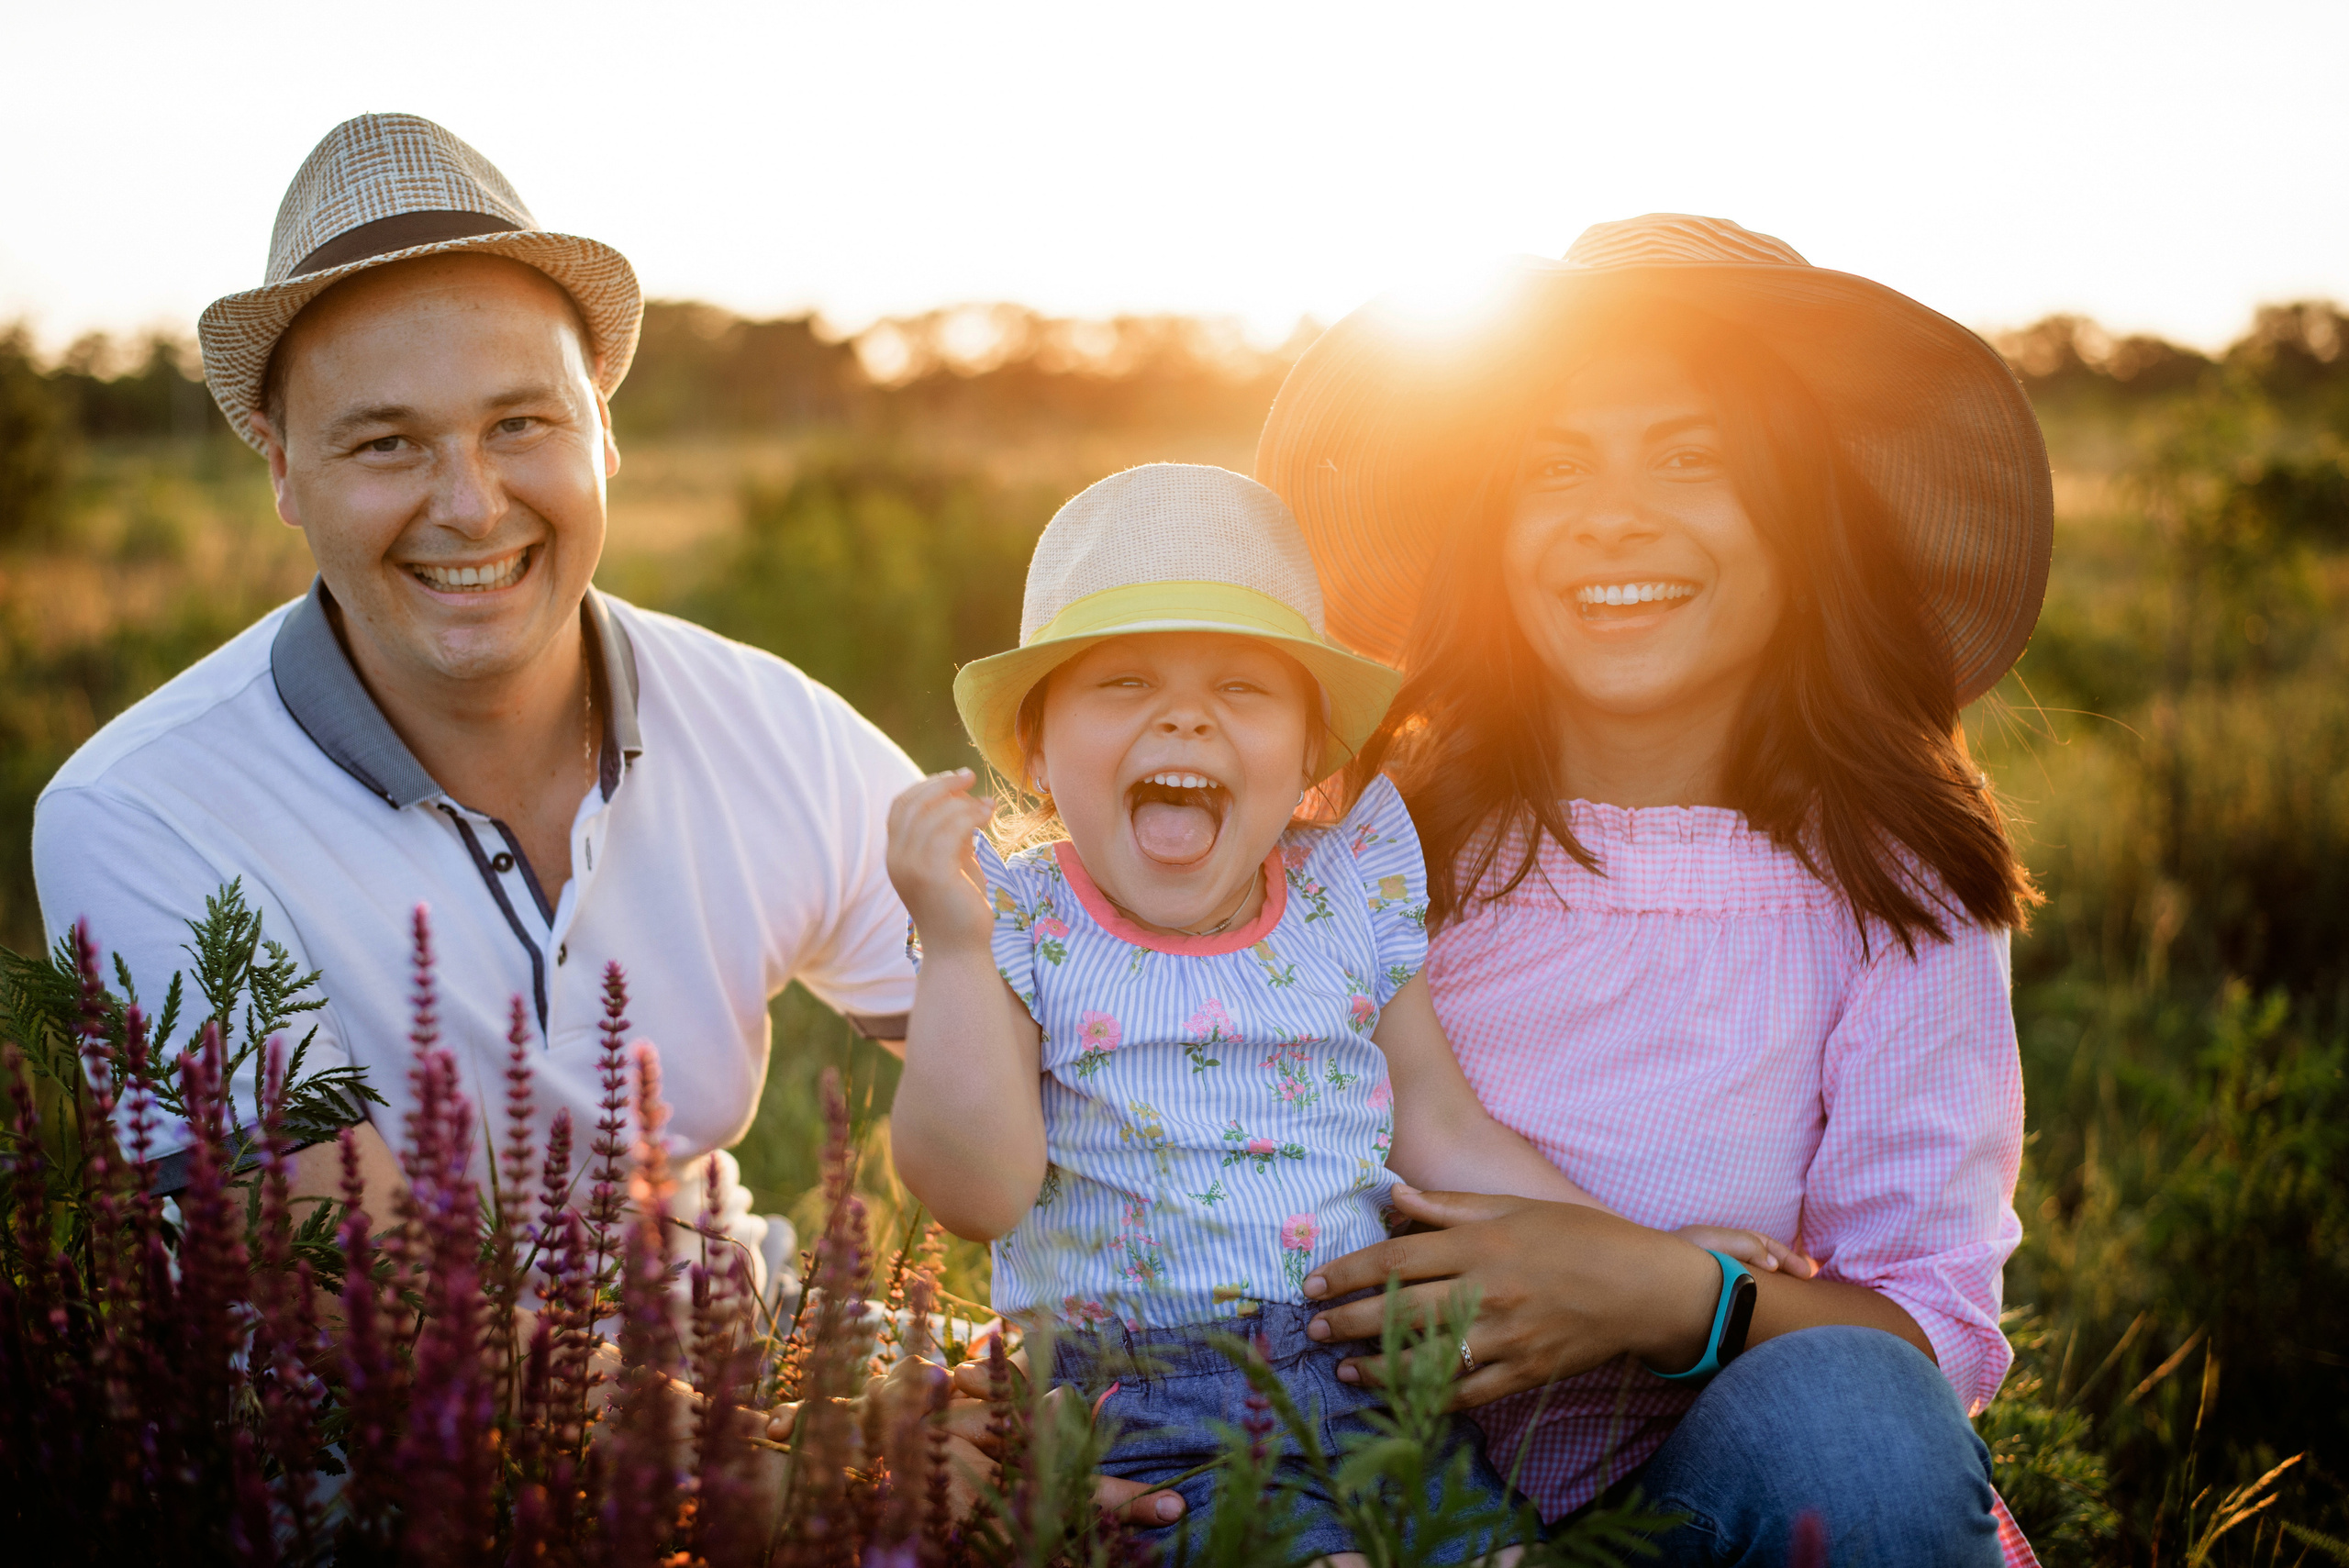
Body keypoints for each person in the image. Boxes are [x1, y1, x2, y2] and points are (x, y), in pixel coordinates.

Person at [29, 111, 1181, 1524]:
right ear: (279, 467)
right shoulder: (144, 812)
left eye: (522, 422)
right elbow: (351, 1292)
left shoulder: (768, 723)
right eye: (386, 442)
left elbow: (1079, 1055)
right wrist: (819, 1475)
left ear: (602, 431)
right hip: (377, 1461)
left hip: (746, 1336)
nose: (471, 503)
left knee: (1160, 1472)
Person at [1252, 215, 2054, 1566]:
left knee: (1861, 1420)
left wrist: (1672, 1293)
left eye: (1693, 459)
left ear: (1805, 520)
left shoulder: (1896, 887)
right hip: (1362, 1474)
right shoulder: (1358, 843)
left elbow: (1930, 1335)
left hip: (1695, 1497)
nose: (1615, 514)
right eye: (1554, 468)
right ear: (1491, 533)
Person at [882, 462, 1804, 1561]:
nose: (1185, 715)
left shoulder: (1343, 891)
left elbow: (1441, 1124)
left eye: (1242, 688)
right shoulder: (1017, 918)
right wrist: (949, 947)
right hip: (1141, 1402)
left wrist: (1634, 1253)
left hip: (1362, 1371)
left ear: (1309, 751)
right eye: (1123, 682)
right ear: (1035, 749)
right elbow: (977, 1191)